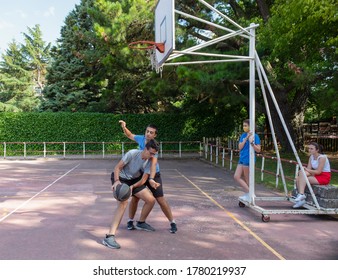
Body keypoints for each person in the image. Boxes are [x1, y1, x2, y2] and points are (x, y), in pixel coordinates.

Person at [119, 120, 177, 233]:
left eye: (151, 132)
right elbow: (130, 135)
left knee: (160, 199)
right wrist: (124, 127)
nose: (148, 134)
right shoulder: (141, 139)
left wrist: (151, 179)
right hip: (140, 173)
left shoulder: (154, 146)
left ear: (155, 135)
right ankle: (131, 221)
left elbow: (153, 164)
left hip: (153, 174)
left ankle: (172, 222)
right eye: (147, 131)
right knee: (135, 198)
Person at [102, 139, 159, 249]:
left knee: (151, 200)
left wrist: (132, 187)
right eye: (151, 153)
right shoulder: (132, 154)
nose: (152, 156)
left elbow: (143, 180)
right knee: (123, 203)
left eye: (154, 154)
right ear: (145, 149)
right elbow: (117, 167)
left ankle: (141, 223)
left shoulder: (151, 161)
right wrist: (116, 181)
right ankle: (109, 237)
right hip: (121, 178)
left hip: (134, 181)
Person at [293, 142, 331, 208]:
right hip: (315, 174)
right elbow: (308, 169)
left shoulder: (322, 157)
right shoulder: (311, 157)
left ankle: (301, 194)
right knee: (299, 178)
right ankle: (301, 199)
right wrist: (302, 171)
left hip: (324, 176)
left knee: (303, 179)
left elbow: (319, 171)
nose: (309, 150)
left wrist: (306, 170)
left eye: (311, 149)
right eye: (309, 148)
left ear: (317, 150)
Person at [234, 119, 261, 202]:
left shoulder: (255, 136)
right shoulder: (243, 135)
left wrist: (252, 143)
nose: (244, 127)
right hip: (242, 158)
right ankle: (249, 192)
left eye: (245, 125)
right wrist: (246, 139)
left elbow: (258, 149)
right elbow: (239, 147)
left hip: (248, 159)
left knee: (247, 177)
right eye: (243, 125)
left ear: (250, 126)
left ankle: (250, 193)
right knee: (236, 176)